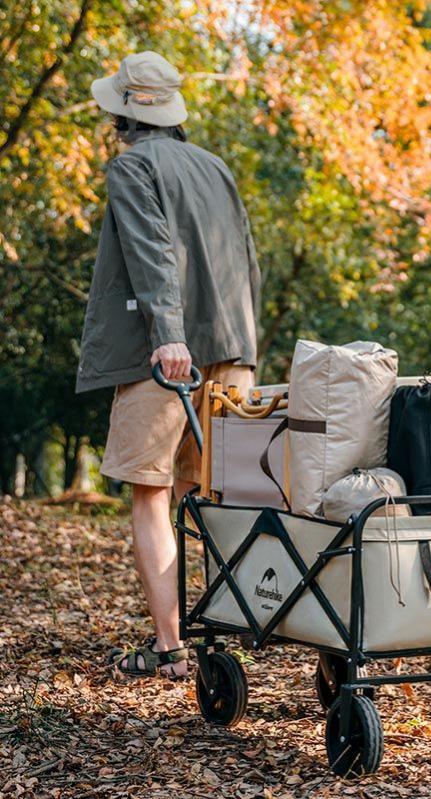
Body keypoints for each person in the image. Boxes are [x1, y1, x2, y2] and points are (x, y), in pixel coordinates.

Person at [75, 52, 261, 677]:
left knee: (150, 494)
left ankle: (171, 647)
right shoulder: (217, 167)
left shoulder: (131, 167)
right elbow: (246, 263)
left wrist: (169, 336)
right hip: (232, 353)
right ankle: (220, 629)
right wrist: (247, 347)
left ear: (121, 113)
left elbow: (152, 253)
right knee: (205, 493)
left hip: (167, 360)